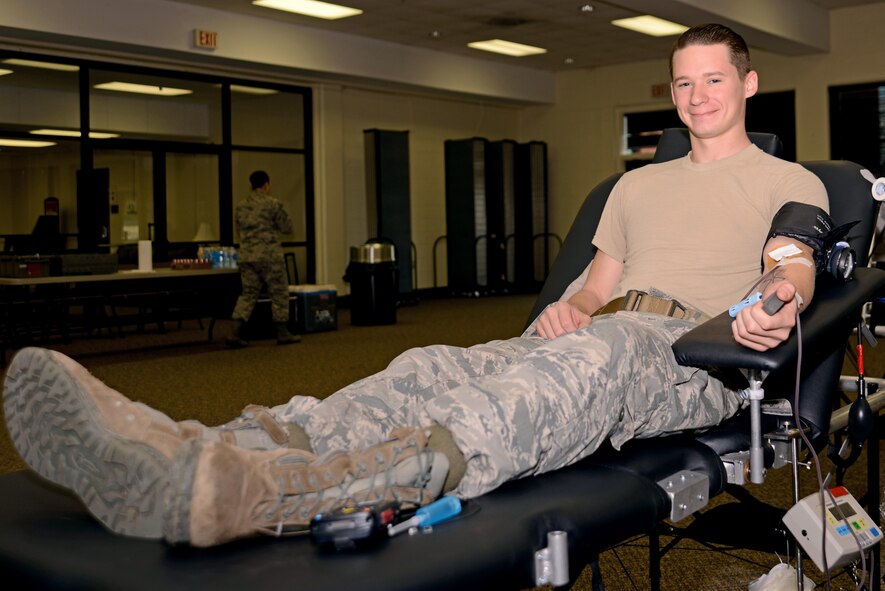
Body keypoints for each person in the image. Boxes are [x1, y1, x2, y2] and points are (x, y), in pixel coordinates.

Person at [3, 24, 831, 548]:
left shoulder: (787, 178)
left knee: (597, 354)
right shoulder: (633, 187)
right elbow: (594, 288)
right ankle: (204, 443)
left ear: (746, 84)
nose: (694, 97)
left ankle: (281, 494)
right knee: (429, 361)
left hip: (691, 357)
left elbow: (790, 264)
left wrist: (774, 304)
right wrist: (566, 307)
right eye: (682, 82)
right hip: (604, 330)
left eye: (711, 80)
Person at [227, 170, 299, 347]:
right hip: (269, 256)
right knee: (279, 293)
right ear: (266, 184)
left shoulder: (241, 206)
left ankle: (234, 332)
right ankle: (282, 332)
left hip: (247, 256)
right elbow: (287, 227)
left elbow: (239, 230)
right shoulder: (273, 204)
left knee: (248, 294)